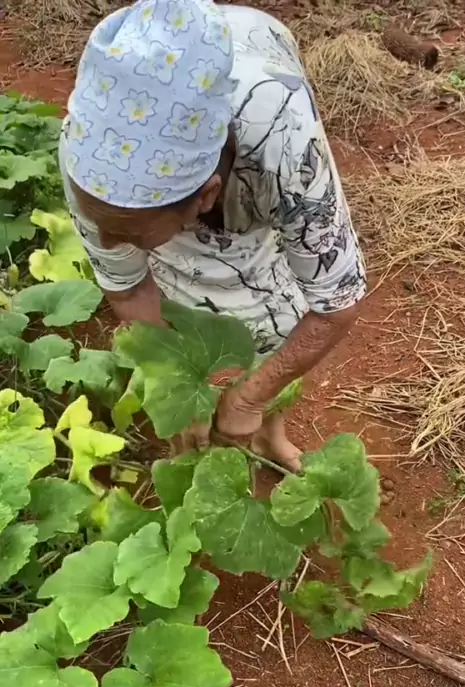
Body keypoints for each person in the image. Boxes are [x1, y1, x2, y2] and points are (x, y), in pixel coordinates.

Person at [60, 0, 367, 472]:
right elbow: (128, 287)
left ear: (205, 197)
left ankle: (271, 433)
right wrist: (179, 390)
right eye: (101, 220)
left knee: (277, 308)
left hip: (258, 59)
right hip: (178, 153)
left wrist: (248, 399)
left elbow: (335, 306)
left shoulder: (286, 147)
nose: (104, 240)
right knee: (179, 291)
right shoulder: (86, 155)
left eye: (129, 231)